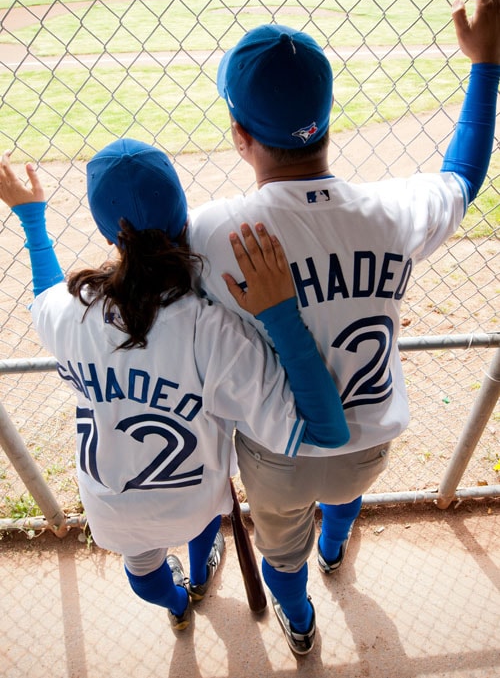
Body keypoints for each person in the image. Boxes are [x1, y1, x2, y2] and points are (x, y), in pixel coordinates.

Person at [189, 0, 500, 654]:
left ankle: (299, 618)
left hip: (278, 450)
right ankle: (336, 547)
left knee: (281, 550)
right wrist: (487, 63)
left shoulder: (215, 232)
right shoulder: (390, 214)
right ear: (328, 117)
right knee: (343, 492)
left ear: (241, 136)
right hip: (371, 440)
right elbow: (464, 175)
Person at [0, 138, 349, 633]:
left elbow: (44, 296)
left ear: (106, 233)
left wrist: (32, 218)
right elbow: (327, 431)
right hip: (197, 501)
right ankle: (203, 566)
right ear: (183, 217)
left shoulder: (70, 315)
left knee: (143, 578)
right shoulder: (212, 329)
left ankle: (179, 606)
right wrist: (276, 314)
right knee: (202, 523)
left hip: (113, 510)